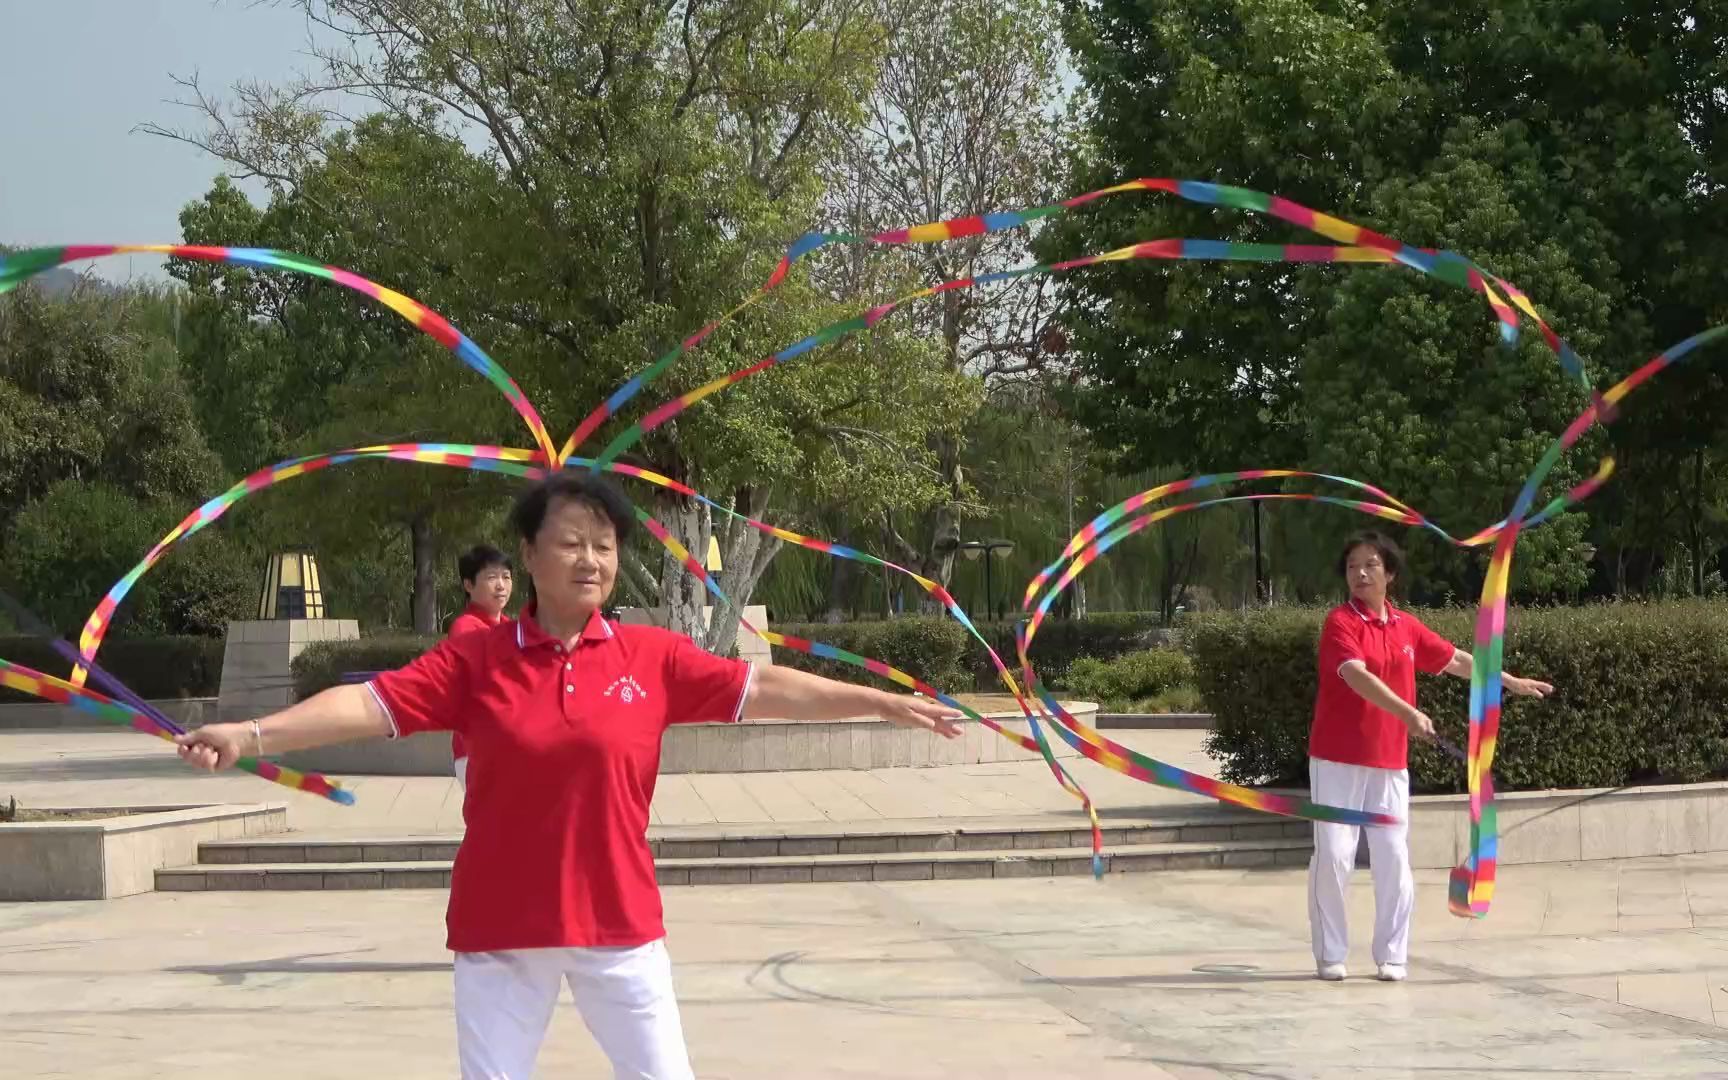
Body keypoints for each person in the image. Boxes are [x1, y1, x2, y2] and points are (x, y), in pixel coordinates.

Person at [174, 472, 961, 1080]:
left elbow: (769, 689)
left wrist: (881, 703)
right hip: (501, 930)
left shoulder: (649, 658)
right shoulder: (474, 658)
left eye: (605, 545)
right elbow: (367, 704)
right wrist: (252, 734)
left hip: (618, 925)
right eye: (572, 541)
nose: (591, 558)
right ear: (528, 553)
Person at [1309, 531, 1553, 984]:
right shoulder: (1340, 623)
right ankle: (1330, 953)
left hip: (1388, 761)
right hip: (1337, 759)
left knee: (1393, 857)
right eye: (1352, 567)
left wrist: (1508, 680)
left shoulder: (1405, 627)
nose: (1360, 574)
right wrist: (1407, 712)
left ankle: (1392, 955)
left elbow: (1456, 659)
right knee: (1336, 854)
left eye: (1370, 565)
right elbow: (1355, 677)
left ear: (1390, 574)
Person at [449, 544, 514, 790]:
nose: (501, 585)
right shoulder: (466, 628)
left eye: (506, 577)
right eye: (491, 577)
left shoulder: (511, 628)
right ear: (468, 585)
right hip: (478, 752)